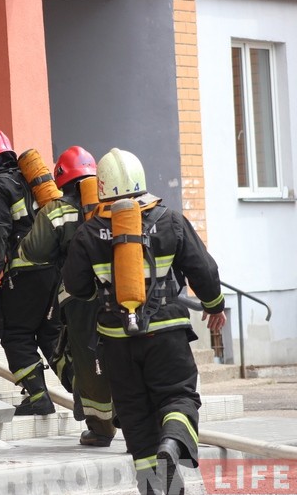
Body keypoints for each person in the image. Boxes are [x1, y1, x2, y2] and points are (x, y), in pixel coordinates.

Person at [61, 148, 227, 495]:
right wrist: (214, 305)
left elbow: (76, 287)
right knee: (178, 398)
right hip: (167, 334)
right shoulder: (170, 221)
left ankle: (156, 487)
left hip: (116, 341)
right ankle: (172, 443)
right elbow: (204, 270)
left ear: (102, 186)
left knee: (135, 417)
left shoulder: (88, 232)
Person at [19, 146, 116, 446]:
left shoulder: (57, 211)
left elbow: (33, 251)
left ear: (61, 178)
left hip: (79, 301)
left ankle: (101, 428)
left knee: (84, 360)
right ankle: (130, 414)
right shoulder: (115, 207)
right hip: (119, 295)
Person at [0, 129, 61, 416]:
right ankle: (85, 390)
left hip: (24, 273)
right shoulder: (29, 181)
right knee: (50, 334)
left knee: (15, 333)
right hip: (53, 271)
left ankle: (38, 397)